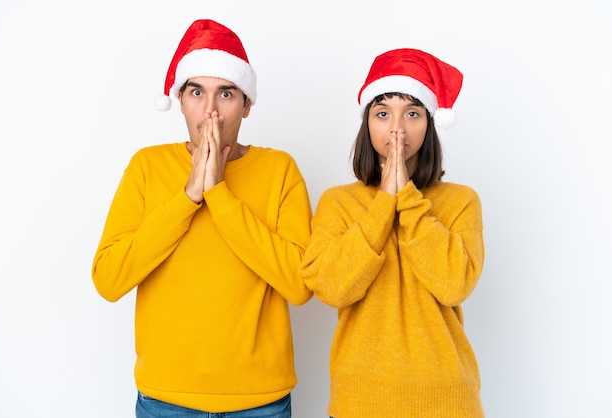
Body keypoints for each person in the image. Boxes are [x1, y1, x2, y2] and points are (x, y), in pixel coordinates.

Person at [92, 19, 313, 418]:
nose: (210, 111)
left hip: (260, 402)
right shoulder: (147, 166)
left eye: (225, 93)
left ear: (247, 104)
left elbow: (300, 285)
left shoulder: (280, 170)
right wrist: (188, 197)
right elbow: (109, 279)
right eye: (197, 92)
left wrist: (219, 195)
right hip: (165, 401)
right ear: (180, 99)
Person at [299, 48, 485, 417]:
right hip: (360, 402)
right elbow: (332, 288)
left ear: (429, 125)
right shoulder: (338, 202)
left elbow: (453, 284)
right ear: (367, 126)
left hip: (447, 401)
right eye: (382, 113)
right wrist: (385, 201)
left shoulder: (461, 201)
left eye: (412, 114)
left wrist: (409, 202)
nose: (396, 128)